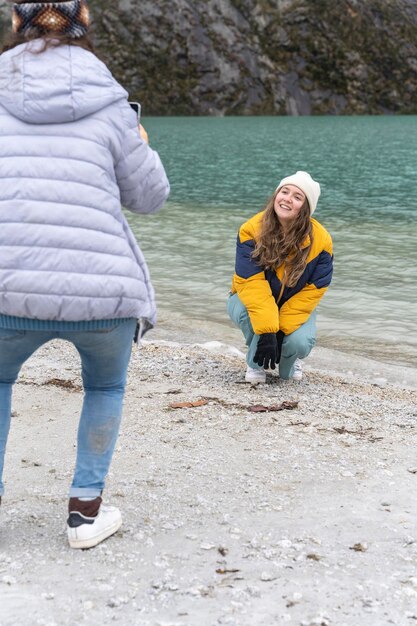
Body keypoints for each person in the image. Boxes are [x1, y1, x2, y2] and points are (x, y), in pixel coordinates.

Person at [0, 0, 170, 549]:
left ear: (15, 28)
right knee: (105, 385)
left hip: (9, 286)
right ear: (84, 33)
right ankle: (84, 517)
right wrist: (139, 141)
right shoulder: (113, 106)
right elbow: (149, 197)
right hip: (104, 291)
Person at [227, 171, 333, 384]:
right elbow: (251, 283)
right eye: (284, 192)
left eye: (297, 197)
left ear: (305, 208)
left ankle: (289, 360)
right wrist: (268, 332)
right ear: (276, 195)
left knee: (300, 343)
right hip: (247, 297)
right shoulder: (250, 230)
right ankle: (255, 362)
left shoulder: (322, 241)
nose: (287, 199)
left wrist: (281, 330)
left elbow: (313, 291)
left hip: (293, 306)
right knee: (252, 318)